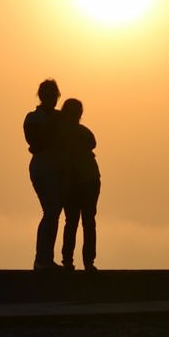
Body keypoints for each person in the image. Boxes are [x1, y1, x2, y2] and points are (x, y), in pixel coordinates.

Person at [23, 79, 69, 271]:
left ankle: (45, 259)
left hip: (58, 168)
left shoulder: (61, 118)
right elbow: (35, 143)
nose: (51, 98)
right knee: (51, 210)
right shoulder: (32, 118)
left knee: (54, 211)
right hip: (43, 166)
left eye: (53, 95)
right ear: (42, 96)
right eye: (48, 94)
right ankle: (42, 260)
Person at [60, 98, 101, 271]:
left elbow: (92, 143)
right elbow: (92, 143)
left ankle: (72, 261)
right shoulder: (81, 132)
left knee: (76, 222)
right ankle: (83, 262)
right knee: (85, 222)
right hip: (84, 180)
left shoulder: (63, 133)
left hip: (82, 181)